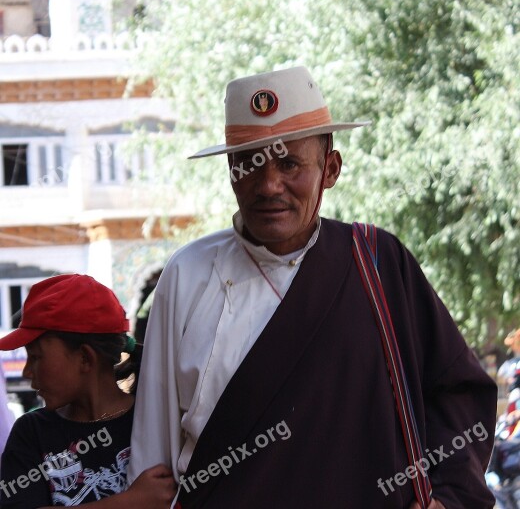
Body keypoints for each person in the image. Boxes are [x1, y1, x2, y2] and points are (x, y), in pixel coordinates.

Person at [127, 66, 498, 508]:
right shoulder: (188, 275)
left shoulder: (378, 264)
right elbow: (154, 450)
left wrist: (449, 499)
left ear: (330, 168)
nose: (269, 186)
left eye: (289, 164)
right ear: (230, 171)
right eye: (249, 164)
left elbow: (459, 395)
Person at [0, 274, 175, 508]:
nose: (27, 371)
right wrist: (131, 502)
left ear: (84, 358)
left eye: (36, 357)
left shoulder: (158, 421)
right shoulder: (32, 433)